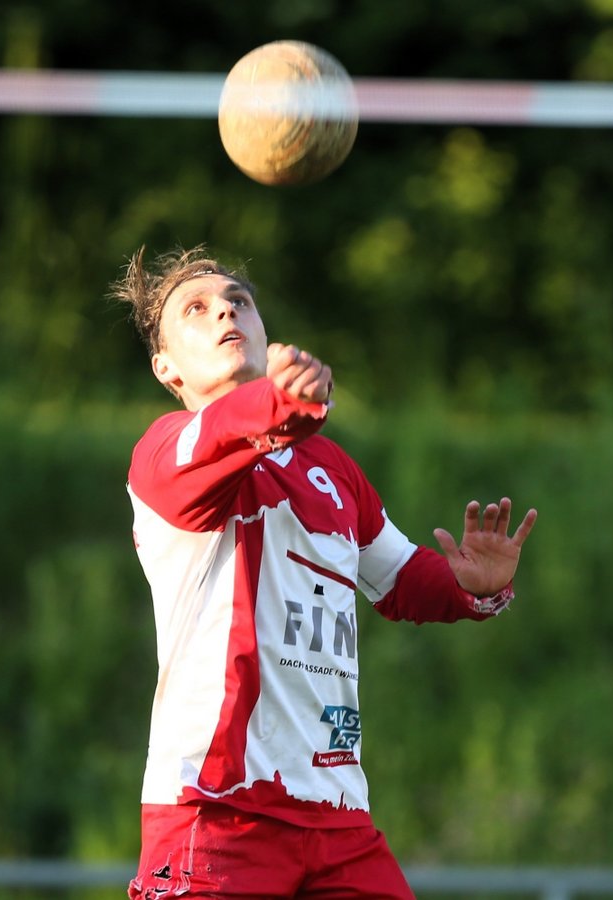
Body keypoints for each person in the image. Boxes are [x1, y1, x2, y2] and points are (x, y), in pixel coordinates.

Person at [111, 245, 537, 900]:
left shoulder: (331, 470)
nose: (224, 309)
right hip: (217, 812)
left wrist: (471, 588)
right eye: (195, 309)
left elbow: (398, 581)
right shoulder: (169, 447)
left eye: (239, 301)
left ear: (261, 329)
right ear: (165, 367)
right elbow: (228, 433)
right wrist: (281, 404)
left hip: (337, 818)